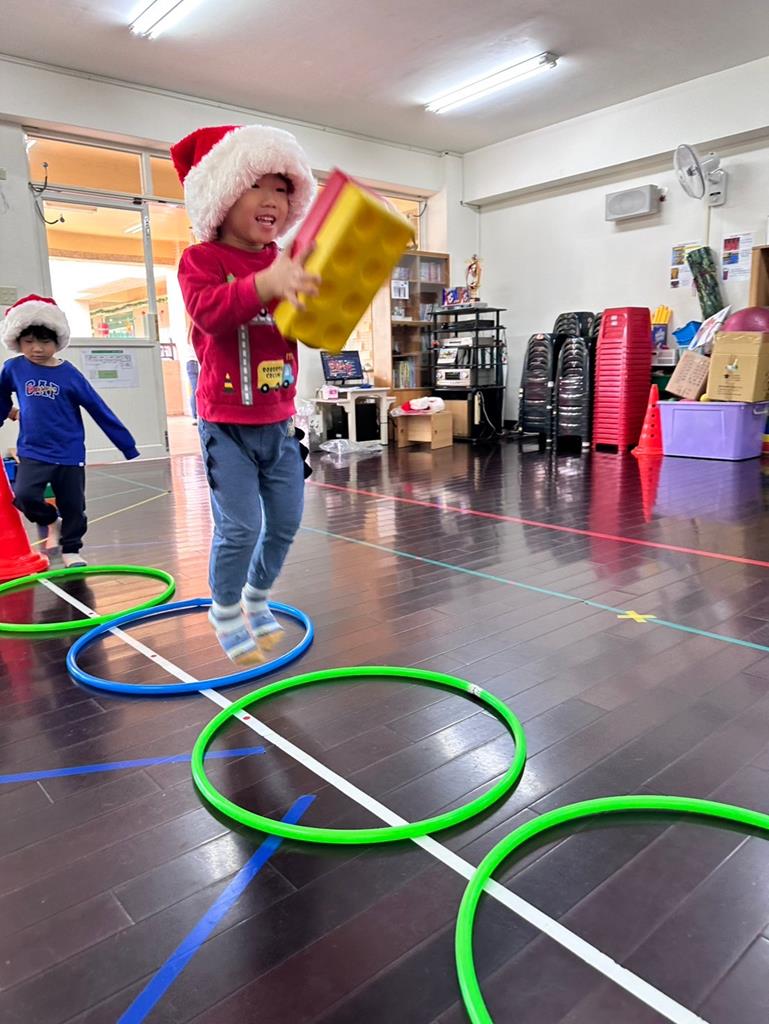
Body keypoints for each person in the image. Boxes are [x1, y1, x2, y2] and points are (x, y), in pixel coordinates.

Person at [171, 124, 319, 665]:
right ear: (223, 193)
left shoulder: (285, 262)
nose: (272, 199)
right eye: (257, 184)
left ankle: (257, 596)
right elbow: (209, 313)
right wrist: (265, 285)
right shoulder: (201, 260)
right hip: (226, 427)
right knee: (240, 526)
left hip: (279, 424)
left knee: (285, 521)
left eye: (282, 188)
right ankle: (225, 607)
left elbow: (311, 331)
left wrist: (320, 304)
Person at [0, 295, 140, 567]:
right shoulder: (14, 368)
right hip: (33, 450)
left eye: (44, 342)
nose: (36, 349)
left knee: (74, 505)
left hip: (68, 451)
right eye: (29, 342)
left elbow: (98, 408)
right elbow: (1, 394)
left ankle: (72, 549)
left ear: (58, 341)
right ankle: (52, 520)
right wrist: (9, 412)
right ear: (18, 341)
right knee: (26, 496)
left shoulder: (69, 374)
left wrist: (127, 445)